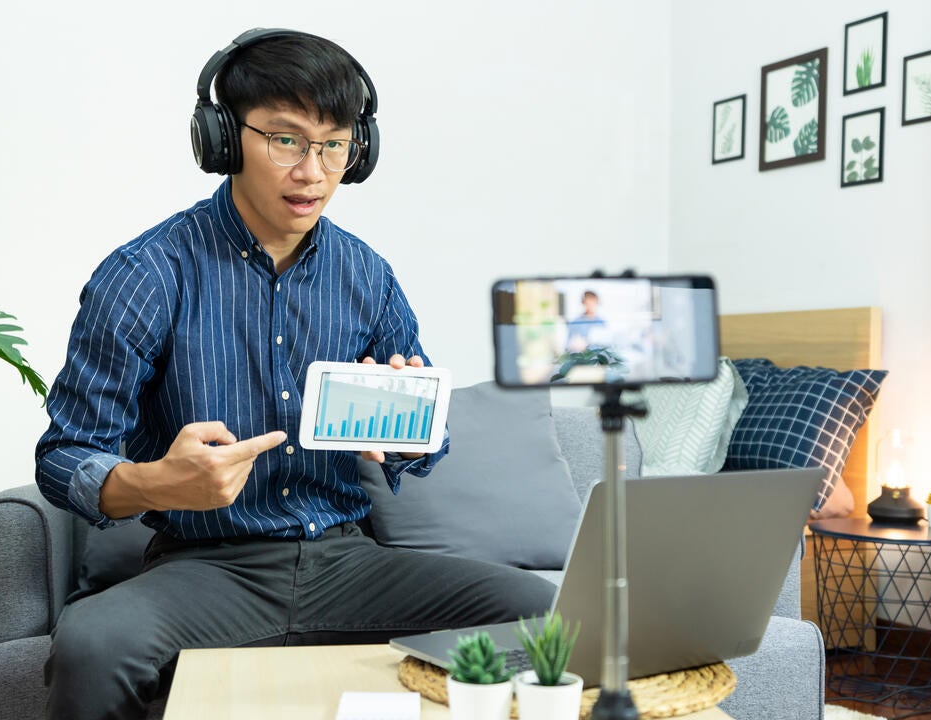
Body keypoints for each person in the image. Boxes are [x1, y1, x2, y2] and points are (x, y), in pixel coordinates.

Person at [33, 28, 553, 720]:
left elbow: (429, 447)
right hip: (207, 567)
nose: (313, 171)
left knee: (548, 612)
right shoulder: (146, 274)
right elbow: (62, 455)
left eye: (334, 144)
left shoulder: (366, 274)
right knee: (93, 641)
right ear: (222, 139)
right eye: (285, 140)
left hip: (348, 563)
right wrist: (157, 481)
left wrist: (406, 434)